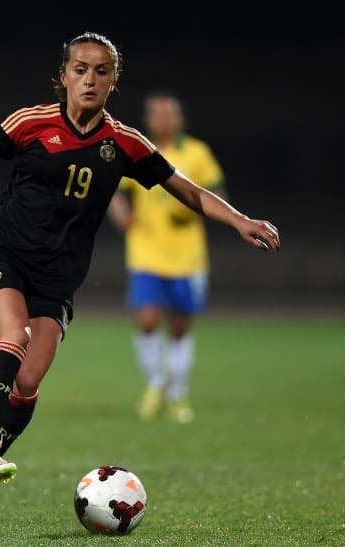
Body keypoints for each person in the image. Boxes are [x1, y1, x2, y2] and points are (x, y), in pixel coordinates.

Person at [0, 31, 279, 528]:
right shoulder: (30, 122)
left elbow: (185, 189)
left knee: (30, 379)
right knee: (11, 337)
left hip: (57, 279)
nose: (90, 79)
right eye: (80, 69)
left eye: (101, 71)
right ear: (62, 76)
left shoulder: (124, 142)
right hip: (1, 253)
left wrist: (239, 220)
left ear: (113, 81)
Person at [107, 91, 226, 424]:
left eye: (169, 114)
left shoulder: (197, 153)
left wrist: (190, 213)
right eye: (157, 114)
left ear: (179, 118)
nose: (163, 120)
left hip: (187, 258)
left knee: (178, 328)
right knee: (145, 320)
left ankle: (177, 393)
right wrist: (122, 216)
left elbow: (217, 193)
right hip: (145, 253)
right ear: (149, 120)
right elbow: (116, 191)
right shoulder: (141, 151)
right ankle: (156, 384)